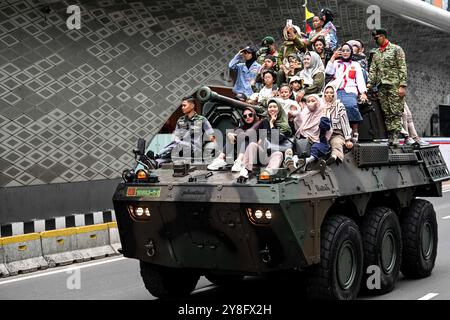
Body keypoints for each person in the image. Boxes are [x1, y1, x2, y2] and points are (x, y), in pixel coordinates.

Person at [367, 28, 407, 147]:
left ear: (383, 36)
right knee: (387, 111)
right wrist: (369, 85)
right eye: (374, 38)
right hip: (381, 86)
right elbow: (373, 70)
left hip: (394, 85)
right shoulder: (376, 53)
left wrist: (402, 86)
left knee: (396, 111)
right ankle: (390, 135)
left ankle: (395, 135)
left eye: (377, 37)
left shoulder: (396, 49)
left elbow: (402, 67)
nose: (375, 40)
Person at [238, 99, 292, 179]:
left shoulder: (285, 125)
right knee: (252, 145)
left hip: (274, 156)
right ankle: (245, 170)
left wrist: (272, 123)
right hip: (263, 154)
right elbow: (251, 132)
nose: (272, 109)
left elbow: (276, 139)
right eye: (270, 107)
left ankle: (267, 173)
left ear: (279, 108)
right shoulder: (264, 121)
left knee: (278, 154)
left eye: (274, 107)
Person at [326, 43, 368, 142]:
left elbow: (360, 80)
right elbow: (328, 71)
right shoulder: (336, 63)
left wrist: (363, 92)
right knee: (336, 106)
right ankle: (339, 131)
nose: (345, 53)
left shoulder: (355, 64)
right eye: (343, 50)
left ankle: (355, 129)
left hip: (350, 90)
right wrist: (333, 57)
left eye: (347, 50)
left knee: (350, 105)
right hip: (337, 90)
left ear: (351, 52)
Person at [156, 96, 215, 166]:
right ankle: (156, 159)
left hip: (195, 149)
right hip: (181, 148)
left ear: (192, 106)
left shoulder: (202, 120)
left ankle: (158, 155)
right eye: (182, 106)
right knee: (172, 150)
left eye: (184, 105)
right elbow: (176, 137)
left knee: (177, 146)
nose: (182, 107)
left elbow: (212, 137)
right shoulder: (180, 120)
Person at [207, 106, 260, 171]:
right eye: (245, 116)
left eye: (250, 115)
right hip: (245, 154)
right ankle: (220, 159)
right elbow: (232, 132)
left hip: (257, 154)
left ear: (254, 115)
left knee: (246, 138)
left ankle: (240, 162)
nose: (248, 117)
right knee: (232, 138)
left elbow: (249, 135)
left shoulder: (259, 124)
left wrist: (236, 135)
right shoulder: (243, 127)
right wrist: (229, 134)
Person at [321, 83, 354, 164]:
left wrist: (348, 139)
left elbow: (344, 122)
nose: (329, 95)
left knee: (336, 143)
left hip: (336, 133)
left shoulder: (339, 106)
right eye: (327, 92)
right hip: (322, 134)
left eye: (331, 93)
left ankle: (334, 157)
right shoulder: (320, 105)